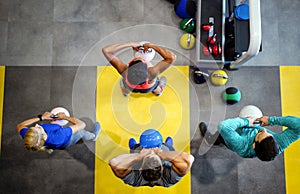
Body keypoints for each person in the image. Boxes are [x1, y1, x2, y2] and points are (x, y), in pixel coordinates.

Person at [199, 115, 300, 161]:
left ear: (254, 144)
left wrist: (246, 121)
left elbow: (224, 126)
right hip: (243, 134)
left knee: (223, 135)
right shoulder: (279, 144)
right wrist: (271, 120)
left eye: (260, 133)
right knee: (228, 134)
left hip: (237, 138)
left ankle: (211, 139)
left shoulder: (241, 145)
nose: (264, 130)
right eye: (269, 134)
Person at [109, 134, 194, 187]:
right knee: (169, 150)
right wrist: (161, 154)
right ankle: (168, 145)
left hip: (139, 164)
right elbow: (189, 158)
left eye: (150, 155)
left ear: (141, 168)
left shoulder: (134, 178)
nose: (152, 152)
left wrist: (140, 155)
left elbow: (114, 162)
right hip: (167, 181)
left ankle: (133, 147)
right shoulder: (171, 177)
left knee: (134, 151)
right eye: (154, 156)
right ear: (162, 168)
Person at [102, 42, 176, 96]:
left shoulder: (124, 70)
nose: (141, 57)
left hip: (131, 87)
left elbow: (106, 50)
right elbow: (172, 57)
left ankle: (125, 92)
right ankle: (158, 92)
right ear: (147, 71)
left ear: (129, 66)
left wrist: (130, 44)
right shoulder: (152, 73)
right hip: (148, 88)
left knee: (126, 86)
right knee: (156, 87)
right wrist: (151, 46)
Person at [16, 111, 101, 154]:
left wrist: (42, 117)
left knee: (76, 137)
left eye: (33, 127)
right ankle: (93, 136)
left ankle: (80, 140)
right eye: (38, 128)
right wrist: (65, 117)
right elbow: (82, 124)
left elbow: (20, 125)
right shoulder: (59, 136)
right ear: (42, 135)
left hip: (59, 143)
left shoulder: (29, 138)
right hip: (66, 140)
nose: (37, 125)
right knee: (82, 133)